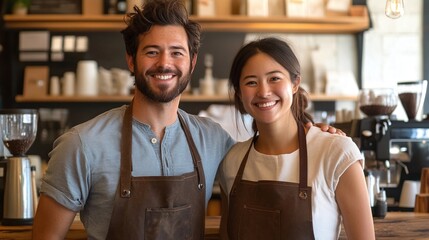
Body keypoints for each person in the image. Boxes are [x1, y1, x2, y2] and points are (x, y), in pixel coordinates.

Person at [32, 1, 344, 239]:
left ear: (192, 63)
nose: (165, 63)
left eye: (177, 53)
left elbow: (270, 152)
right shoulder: (83, 144)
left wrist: (315, 136)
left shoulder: (214, 141)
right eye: (152, 52)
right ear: (131, 59)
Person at [218, 37, 375, 240]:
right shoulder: (232, 161)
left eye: (274, 78)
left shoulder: (336, 153)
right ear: (239, 93)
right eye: (251, 82)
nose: (264, 92)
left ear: (295, 83)